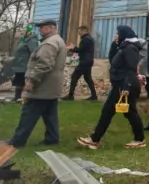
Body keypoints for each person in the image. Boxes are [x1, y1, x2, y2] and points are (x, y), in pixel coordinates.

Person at [77, 25, 145, 149]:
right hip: (120, 84)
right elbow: (112, 60)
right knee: (120, 112)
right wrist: (114, 45)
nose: (116, 36)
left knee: (120, 112)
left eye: (118, 34)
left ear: (124, 34)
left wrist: (126, 87)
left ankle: (95, 139)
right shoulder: (123, 47)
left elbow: (130, 69)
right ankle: (95, 139)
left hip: (124, 85)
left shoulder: (130, 48)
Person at [9, 19, 66, 148]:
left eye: (42, 27)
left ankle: (17, 141)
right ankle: (52, 138)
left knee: (28, 112)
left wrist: (31, 81)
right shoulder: (58, 40)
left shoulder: (49, 43)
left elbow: (44, 65)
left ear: (51, 28)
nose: (39, 30)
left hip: (43, 85)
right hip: (52, 85)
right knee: (50, 114)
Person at [64, 25, 97, 101]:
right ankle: (94, 96)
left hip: (84, 62)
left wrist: (71, 48)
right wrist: (74, 47)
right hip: (88, 61)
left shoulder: (86, 39)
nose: (79, 33)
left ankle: (70, 96)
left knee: (74, 77)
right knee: (88, 79)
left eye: (79, 31)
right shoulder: (89, 39)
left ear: (83, 31)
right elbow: (83, 49)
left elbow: (80, 50)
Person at [11, 25, 39, 102]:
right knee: (18, 81)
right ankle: (18, 98)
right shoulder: (24, 39)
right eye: (21, 30)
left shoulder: (31, 40)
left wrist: (31, 64)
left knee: (21, 82)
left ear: (28, 31)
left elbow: (33, 53)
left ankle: (21, 98)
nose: (21, 31)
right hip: (19, 64)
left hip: (24, 65)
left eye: (23, 30)